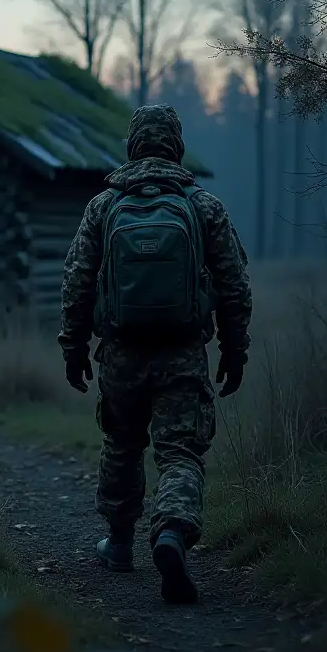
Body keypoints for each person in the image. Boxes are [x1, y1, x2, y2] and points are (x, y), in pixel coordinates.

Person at [58, 104, 252, 604]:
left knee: (123, 444)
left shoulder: (104, 207)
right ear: (176, 145)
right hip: (183, 353)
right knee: (180, 452)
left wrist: (74, 347)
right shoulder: (203, 205)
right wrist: (234, 349)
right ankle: (171, 533)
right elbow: (234, 285)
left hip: (120, 353)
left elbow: (77, 281)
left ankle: (120, 544)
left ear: (132, 146)